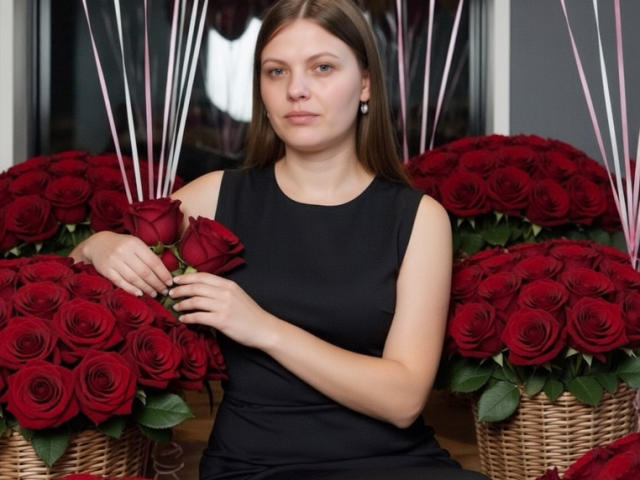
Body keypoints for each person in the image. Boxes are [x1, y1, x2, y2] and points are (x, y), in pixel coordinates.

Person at [71, 1, 490, 479]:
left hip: (398, 465)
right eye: (276, 71)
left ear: (366, 84)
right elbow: (73, 279)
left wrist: (261, 327)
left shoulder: (418, 218)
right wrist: (98, 246)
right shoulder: (215, 196)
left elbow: (404, 400)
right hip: (254, 467)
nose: (296, 90)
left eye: (322, 68)